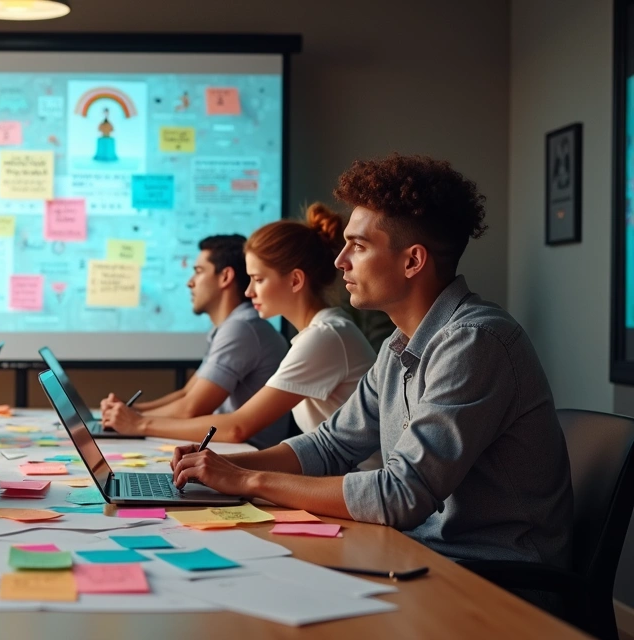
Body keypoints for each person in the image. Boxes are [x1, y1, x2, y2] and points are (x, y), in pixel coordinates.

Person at [170, 154, 573, 566]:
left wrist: (248, 479)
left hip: (489, 578)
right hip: (418, 552)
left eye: (358, 246)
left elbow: (401, 494)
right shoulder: (398, 347)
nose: (339, 260)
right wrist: (218, 468)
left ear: (412, 261)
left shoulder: (474, 342)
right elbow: (329, 447)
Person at [103, 205, 377, 463]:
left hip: (361, 487)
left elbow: (238, 426)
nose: (248, 292)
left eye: (258, 280)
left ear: (295, 280)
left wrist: (139, 423)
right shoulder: (317, 334)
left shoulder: (324, 337)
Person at [100, 234, 291, 448]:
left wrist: (138, 423)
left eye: (199, 272)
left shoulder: (241, 328)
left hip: (245, 452)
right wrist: (132, 411)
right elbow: (186, 394)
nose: (190, 282)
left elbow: (191, 408)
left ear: (225, 277)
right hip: (230, 448)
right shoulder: (231, 326)